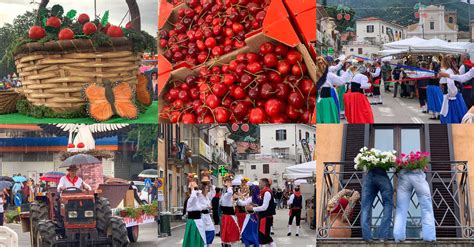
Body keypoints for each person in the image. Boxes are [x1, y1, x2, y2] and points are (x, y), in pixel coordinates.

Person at [393, 169, 436, 243]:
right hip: (418, 174)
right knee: (426, 209)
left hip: (404, 175)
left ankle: (398, 236)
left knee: (401, 209)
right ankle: (429, 236)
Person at [361, 166, 393, 242]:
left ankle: (367, 236)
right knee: (388, 204)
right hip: (382, 174)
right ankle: (382, 236)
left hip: (369, 175)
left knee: (365, 206)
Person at [245, 178, 276, 247]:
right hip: (264, 218)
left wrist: (252, 208)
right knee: (266, 238)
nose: (258, 185)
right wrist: (256, 206)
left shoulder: (267, 192)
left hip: (265, 218)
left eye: (259, 183)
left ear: (264, 183)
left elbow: (265, 207)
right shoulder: (264, 192)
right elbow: (263, 206)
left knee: (263, 238)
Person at [437, 56, 468, 124]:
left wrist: (451, 94)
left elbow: (450, 85)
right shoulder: (452, 71)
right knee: (459, 115)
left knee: (451, 117)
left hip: (451, 98)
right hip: (456, 97)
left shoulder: (447, 71)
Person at [182, 178, 206, 247]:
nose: (197, 190)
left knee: (200, 238)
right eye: (196, 189)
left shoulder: (197, 199)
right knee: (194, 240)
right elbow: (193, 197)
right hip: (193, 223)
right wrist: (193, 189)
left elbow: (202, 206)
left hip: (199, 221)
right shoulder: (190, 200)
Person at [220, 175, 240, 246]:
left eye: (230, 182)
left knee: (228, 232)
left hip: (228, 216)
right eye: (228, 182)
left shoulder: (225, 195)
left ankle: (226, 243)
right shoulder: (226, 195)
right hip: (228, 217)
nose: (230, 183)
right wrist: (229, 186)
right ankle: (226, 244)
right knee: (229, 232)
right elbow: (230, 192)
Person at [198, 182, 215, 246]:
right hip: (201, 216)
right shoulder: (199, 196)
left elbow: (213, 193)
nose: (207, 190)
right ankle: (204, 244)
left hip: (207, 216)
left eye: (208, 188)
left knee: (211, 230)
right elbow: (199, 206)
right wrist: (207, 206)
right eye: (206, 188)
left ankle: (207, 243)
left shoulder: (207, 196)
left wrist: (210, 184)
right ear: (203, 189)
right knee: (203, 231)